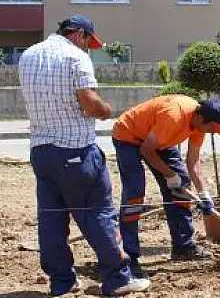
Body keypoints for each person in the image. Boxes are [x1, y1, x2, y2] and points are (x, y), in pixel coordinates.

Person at [18, 15, 150, 296]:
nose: (89, 48)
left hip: (41, 151)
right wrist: (105, 109)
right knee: (99, 213)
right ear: (79, 34)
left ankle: (61, 281)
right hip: (76, 150)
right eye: (89, 42)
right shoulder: (75, 57)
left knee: (51, 217)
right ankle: (117, 278)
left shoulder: (28, 55)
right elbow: (89, 102)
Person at [111, 95, 220, 276]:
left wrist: (203, 192)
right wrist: (169, 174)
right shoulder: (173, 117)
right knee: (135, 193)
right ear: (200, 118)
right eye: (211, 129)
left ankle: (183, 246)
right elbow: (146, 149)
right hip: (129, 135)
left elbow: (193, 160)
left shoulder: (201, 124)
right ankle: (129, 255)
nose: (211, 133)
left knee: (181, 187)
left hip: (158, 138)